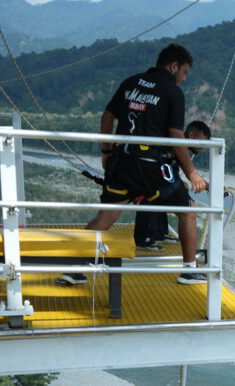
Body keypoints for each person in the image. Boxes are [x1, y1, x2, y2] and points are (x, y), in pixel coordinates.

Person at [57, 43, 208, 286]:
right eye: (184, 72)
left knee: (107, 215)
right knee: (187, 212)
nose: (184, 78)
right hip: (151, 166)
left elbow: (108, 116)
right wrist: (192, 172)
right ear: (173, 66)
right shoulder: (172, 92)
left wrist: (107, 151)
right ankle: (190, 270)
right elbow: (175, 135)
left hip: (121, 162)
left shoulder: (130, 82)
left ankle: (75, 269)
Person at [133, 120, 212, 251]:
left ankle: (159, 232)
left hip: (157, 179)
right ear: (192, 135)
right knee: (170, 196)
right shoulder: (178, 145)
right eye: (201, 142)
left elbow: (189, 173)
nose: (202, 147)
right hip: (146, 178)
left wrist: (212, 188)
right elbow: (188, 172)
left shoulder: (180, 148)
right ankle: (143, 240)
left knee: (169, 190)